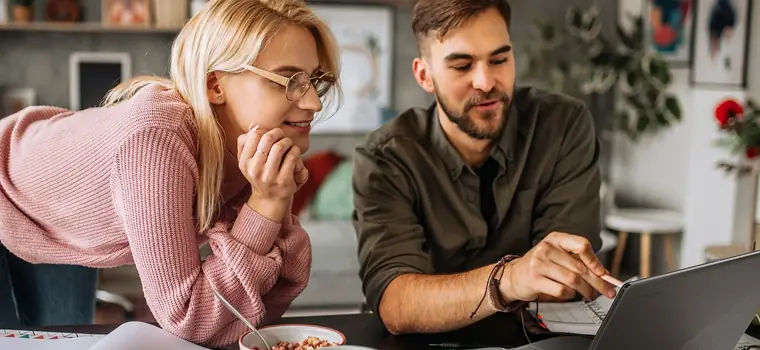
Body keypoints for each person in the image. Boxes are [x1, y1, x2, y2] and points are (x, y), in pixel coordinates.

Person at [0, 0, 340, 346]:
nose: (314, 103)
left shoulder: (250, 154)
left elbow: (252, 313)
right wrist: (266, 203)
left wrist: (272, 202)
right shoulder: (157, 139)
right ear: (215, 85)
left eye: (313, 81)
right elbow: (189, 320)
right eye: (288, 80)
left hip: (59, 219)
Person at [351, 0, 617, 336]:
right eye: (462, 66)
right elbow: (397, 304)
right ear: (425, 75)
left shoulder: (562, 126)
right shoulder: (385, 157)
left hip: (530, 339)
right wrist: (512, 278)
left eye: (499, 59)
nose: (486, 82)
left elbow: (565, 278)